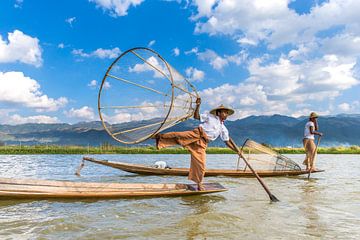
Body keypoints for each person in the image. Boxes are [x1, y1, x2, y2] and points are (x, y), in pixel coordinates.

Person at [154, 98, 240, 191]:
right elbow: (196, 116)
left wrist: (237, 151)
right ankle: (159, 137)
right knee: (178, 136)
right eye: (224, 112)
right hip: (196, 134)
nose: (226, 114)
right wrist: (198, 105)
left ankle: (199, 183)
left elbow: (227, 141)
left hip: (202, 143)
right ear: (218, 113)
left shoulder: (223, 128)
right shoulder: (210, 117)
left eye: (227, 113)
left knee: (201, 164)